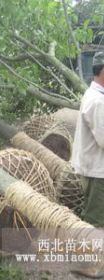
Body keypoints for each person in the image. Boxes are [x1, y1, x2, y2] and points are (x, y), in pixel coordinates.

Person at [71, 52, 104, 278]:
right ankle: (86, 266)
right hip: (96, 171)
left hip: (95, 168)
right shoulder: (97, 101)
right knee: (95, 218)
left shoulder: (95, 96)